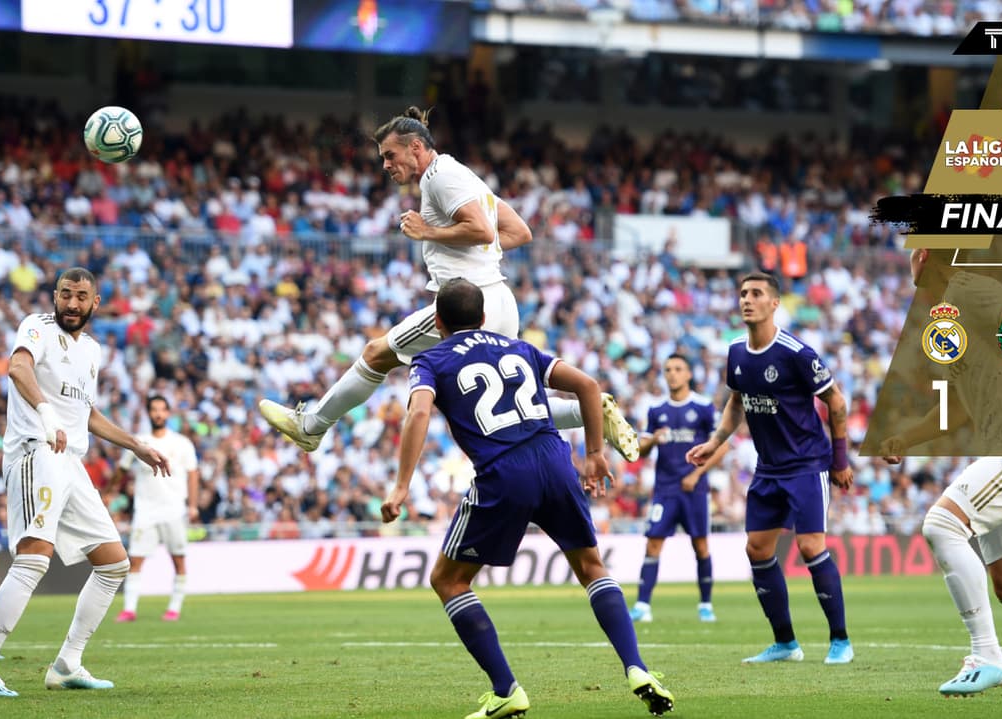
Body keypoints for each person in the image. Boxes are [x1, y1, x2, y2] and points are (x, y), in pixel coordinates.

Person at [259, 106, 639, 463]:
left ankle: (311, 426)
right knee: (497, 404)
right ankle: (589, 414)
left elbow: (482, 229)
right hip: (498, 300)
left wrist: (429, 231)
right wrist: (471, 250)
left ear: (417, 148)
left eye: (390, 156)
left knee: (377, 355)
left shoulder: (439, 177)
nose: (386, 165)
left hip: (469, 304)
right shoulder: (459, 175)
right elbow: (517, 232)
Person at [381, 279, 674, 719]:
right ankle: (637, 668)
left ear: (437, 321)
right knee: (591, 567)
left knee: (449, 580)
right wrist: (595, 454)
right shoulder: (519, 348)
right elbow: (589, 386)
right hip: (556, 462)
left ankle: (506, 690)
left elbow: (420, 411)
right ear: (483, 317)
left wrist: (402, 485)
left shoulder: (430, 359)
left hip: (504, 472)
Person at [880, 249, 1002, 716]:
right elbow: (958, 408)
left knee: (941, 525)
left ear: (924, 256)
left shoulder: (966, 287)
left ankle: (987, 652)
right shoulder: (946, 318)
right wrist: (904, 438)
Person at [0, 267, 169, 697]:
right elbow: (18, 369)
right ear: (55, 296)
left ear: (95, 303)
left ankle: (67, 663)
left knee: (114, 563)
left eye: (81, 297)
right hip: (37, 450)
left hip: (71, 460)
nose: (72, 304)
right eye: (66, 295)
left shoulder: (91, 350)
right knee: (35, 558)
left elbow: (86, 414)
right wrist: (47, 414)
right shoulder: (36, 327)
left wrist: (135, 445)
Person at [686, 271, 855, 665]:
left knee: (810, 546)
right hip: (768, 469)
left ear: (774, 303)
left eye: (756, 293)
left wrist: (840, 460)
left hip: (807, 464)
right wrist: (715, 441)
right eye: (743, 293)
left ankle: (840, 640)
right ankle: (785, 643)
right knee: (757, 549)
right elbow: (736, 401)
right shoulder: (736, 353)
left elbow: (838, 402)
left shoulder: (797, 353)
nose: (747, 299)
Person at [629, 354, 728, 624]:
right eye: (668, 369)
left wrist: (697, 475)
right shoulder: (656, 409)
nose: (672, 373)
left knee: (701, 545)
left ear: (688, 375)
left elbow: (722, 446)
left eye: (678, 369)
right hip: (665, 489)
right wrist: (653, 441)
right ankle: (641, 605)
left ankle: (705, 604)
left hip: (694, 490)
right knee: (653, 543)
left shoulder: (704, 407)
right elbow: (639, 451)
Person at [113, 394, 200, 623]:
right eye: (154, 409)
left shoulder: (182, 443)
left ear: (168, 413)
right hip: (146, 510)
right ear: (148, 413)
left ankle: (174, 608)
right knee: (136, 560)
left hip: (174, 509)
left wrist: (192, 505)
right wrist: (110, 492)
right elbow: (121, 470)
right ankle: (129, 609)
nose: (158, 413)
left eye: (162, 409)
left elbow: (193, 474)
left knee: (178, 560)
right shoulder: (138, 442)